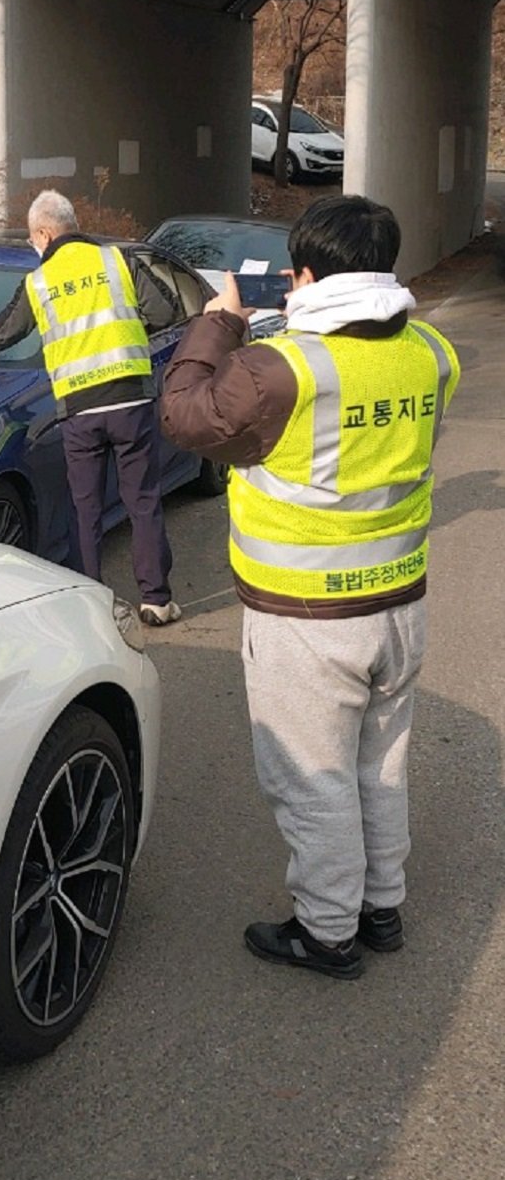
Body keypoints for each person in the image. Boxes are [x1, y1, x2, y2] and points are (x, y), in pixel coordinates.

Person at [160, 194, 460, 979]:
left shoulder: (278, 369)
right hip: (401, 604)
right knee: (379, 765)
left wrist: (220, 323)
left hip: (308, 619)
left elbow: (186, 419)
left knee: (312, 777)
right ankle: (379, 906)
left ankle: (327, 932)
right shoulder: (432, 352)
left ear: (303, 274)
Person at [0, 189, 182, 626]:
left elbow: (8, 329)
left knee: (86, 508)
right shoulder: (118, 262)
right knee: (143, 501)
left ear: (44, 233)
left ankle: (91, 604)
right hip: (132, 399)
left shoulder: (39, 282)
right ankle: (155, 599)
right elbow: (164, 310)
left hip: (79, 409)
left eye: (30, 239)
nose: (32, 246)